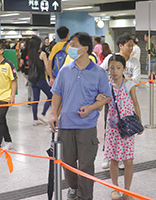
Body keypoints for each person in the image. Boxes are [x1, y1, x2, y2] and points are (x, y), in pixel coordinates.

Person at [49, 32, 111, 200]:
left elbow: (106, 97)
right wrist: (54, 113)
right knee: (67, 164)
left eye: (74, 45)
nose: (70, 48)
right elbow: (57, 93)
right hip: (65, 125)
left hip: (87, 127)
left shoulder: (98, 72)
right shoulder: (65, 70)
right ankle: (74, 187)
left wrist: (91, 107)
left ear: (85, 49)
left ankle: (85, 196)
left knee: (86, 165)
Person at [100, 54, 143, 200]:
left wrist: (140, 122)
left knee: (128, 160)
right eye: (112, 68)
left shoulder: (129, 85)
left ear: (124, 69)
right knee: (113, 159)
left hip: (127, 127)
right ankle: (115, 188)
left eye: (118, 68)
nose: (115, 71)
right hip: (112, 129)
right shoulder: (107, 86)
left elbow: (136, 104)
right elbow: (102, 102)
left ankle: (127, 190)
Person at [100, 33, 141, 170]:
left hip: (127, 97)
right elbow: (100, 72)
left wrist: (123, 81)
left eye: (132, 45)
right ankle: (108, 155)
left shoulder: (134, 61)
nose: (131, 48)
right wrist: (108, 83)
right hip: (112, 97)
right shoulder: (110, 58)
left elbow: (136, 79)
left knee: (126, 126)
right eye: (129, 45)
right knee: (110, 127)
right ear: (121, 46)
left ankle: (123, 156)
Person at [28, 36, 53, 126]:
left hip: (33, 80)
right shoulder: (42, 54)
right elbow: (47, 67)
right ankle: (43, 114)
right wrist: (51, 77)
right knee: (51, 96)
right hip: (41, 80)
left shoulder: (30, 54)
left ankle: (35, 119)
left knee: (36, 100)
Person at [20, 38, 33, 103]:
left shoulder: (24, 51)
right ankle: (32, 98)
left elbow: (21, 62)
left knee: (30, 84)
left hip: (26, 70)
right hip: (33, 70)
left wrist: (22, 70)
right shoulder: (33, 51)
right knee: (32, 84)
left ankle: (29, 98)